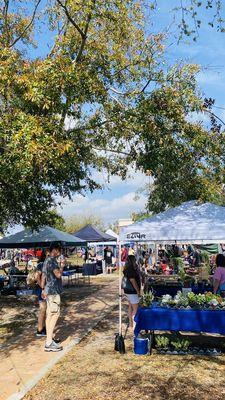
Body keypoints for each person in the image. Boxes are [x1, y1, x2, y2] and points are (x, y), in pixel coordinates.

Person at [42, 243, 64, 352]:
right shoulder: (53, 261)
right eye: (59, 250)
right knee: (55, 314)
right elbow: (58, 275)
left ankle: (49, 339)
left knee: (49, 315)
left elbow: (44, 276)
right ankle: (49, 343)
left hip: (48, 291)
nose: (60, 252)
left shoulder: (46, 260)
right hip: (53, 292)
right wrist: (62, 265)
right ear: (54, 250)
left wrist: (43, 289)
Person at [123, 255, 141, 329]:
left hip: (127, 291)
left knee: (130, 307)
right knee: (135, 309)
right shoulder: (130, 269)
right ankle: (134, 326)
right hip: (132, 292)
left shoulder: (127, 268)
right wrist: (138, 291)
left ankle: (131, 324)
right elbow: (133, 281)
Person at [35, 251, 48, 337]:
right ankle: (40, 329)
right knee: (43, 309)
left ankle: (42, 328)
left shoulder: (46, 264)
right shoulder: (41, 264)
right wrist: (42, 287)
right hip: (41, 289)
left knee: (45, 309)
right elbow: (36, 276)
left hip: (45, 289)